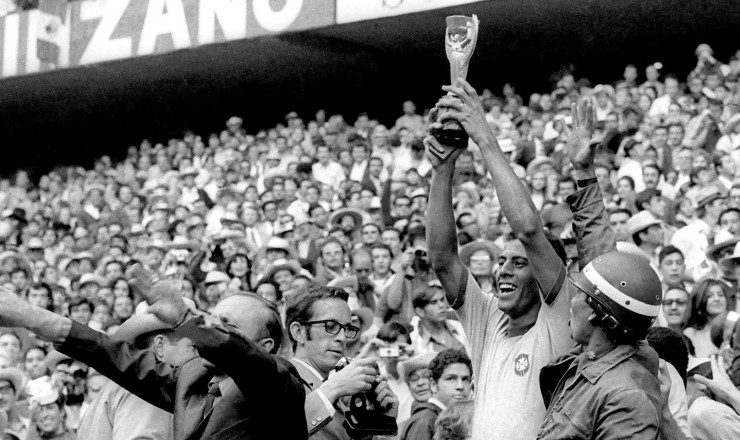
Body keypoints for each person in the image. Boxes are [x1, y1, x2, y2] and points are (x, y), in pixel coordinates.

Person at [426, 81, 613, 439]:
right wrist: (442, 170)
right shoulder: (489, 317)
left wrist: (485, 139)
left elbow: (528, 230)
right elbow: (443, 259)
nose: (503, 270)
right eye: (502, 262)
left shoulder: (560, 317)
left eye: (519, 263)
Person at [0, 273, 308, 440]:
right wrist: (33, 317)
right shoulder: (191, 379)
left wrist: (190, 319)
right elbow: (111, 353)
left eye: (227, 325)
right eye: (210, 319)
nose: (210, 329)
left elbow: (242, 357)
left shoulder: (281, 383)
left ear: (266, 346)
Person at [538, 251, 664, 438]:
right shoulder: (588, 363)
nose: (572, 301)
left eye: (579, 294)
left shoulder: (627, 399)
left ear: (594, 312)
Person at [286, 285, 399, 439]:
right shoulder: (277, 379)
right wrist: (334, 388)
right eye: (331, 326)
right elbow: (277, 431)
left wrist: (382, 423)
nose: (343, 338)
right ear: (298, 332)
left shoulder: (340, 389)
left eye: (346, 328)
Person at [77, 300, 198, 440]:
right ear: (160, 346)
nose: (198, 356)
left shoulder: (120, 385)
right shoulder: (148, 391)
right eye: (192, 347)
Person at [400, 349, 472, 440]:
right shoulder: (425, 420)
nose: (460, 386)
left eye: (465, 379)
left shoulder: (452, 417)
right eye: (450, 379)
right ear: (433, 384)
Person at [684, 278, 729, 357]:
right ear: (699, 300)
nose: (717, 299)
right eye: (709, 296)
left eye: (721, 295)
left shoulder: (734, 329)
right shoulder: (690, 333)